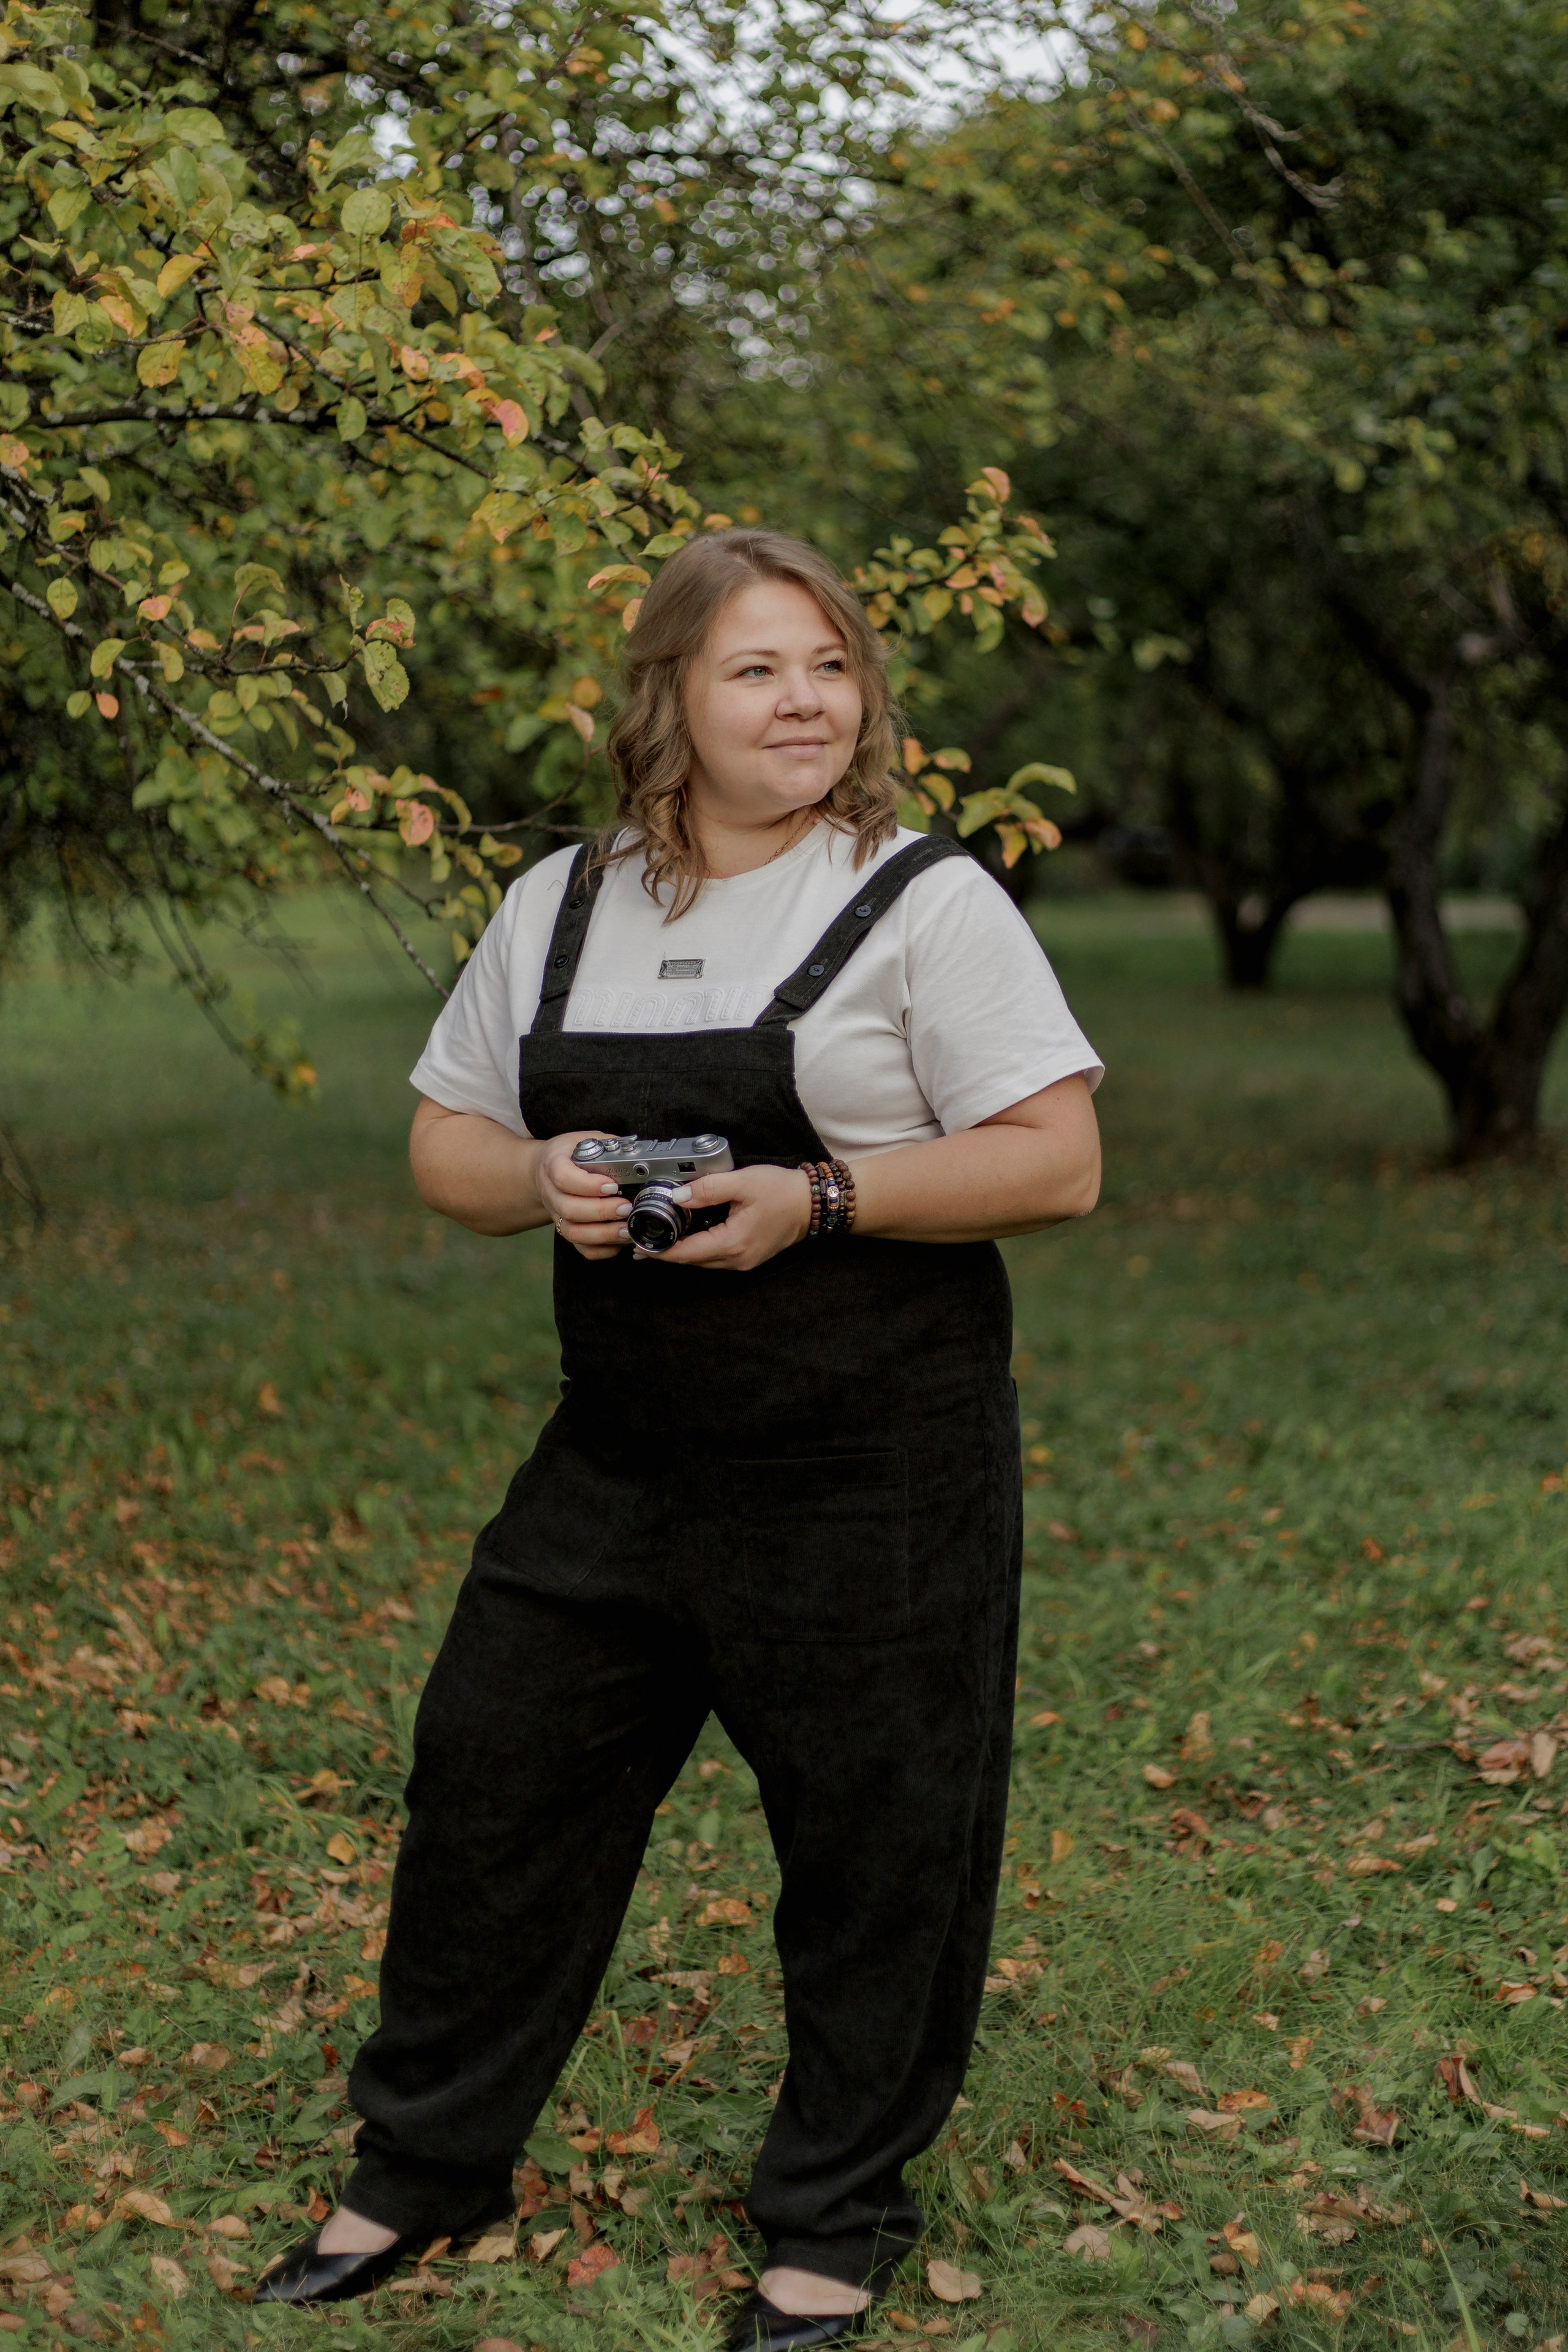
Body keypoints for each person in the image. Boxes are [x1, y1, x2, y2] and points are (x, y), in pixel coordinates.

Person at [255, 527, 1102, 2347]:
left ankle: (832, 2215)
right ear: (669, 700)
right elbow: (444, 1149)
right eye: (756, 670)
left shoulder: (921, 897)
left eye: (830, 665)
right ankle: (419, 2170)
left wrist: (826, 1196)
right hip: (621, 1452)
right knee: (492, 1788)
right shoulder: (561, 900)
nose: (805, 701)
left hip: (873, 1464)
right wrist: (538, 1176)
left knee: (879, 1841)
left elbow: (1058, 1156)